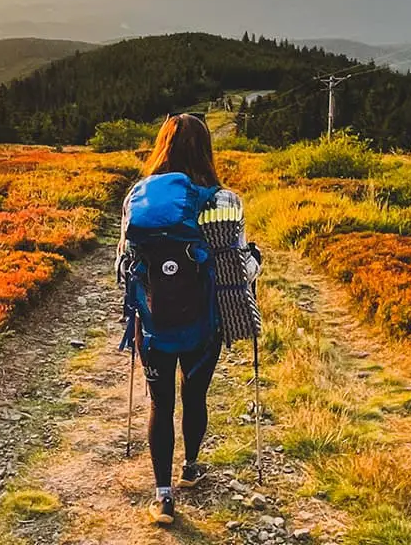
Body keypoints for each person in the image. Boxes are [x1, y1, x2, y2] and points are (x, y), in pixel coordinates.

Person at [116, 113, 261, 525]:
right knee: (194, 396)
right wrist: (258, 263)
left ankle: (162, 497)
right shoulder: (225, 200)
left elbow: (122, 267)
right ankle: (191, 468)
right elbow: (241, 270)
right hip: (205, 322)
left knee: (161, 404)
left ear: (163, 145)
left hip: (153, 323)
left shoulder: (137, 196)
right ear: (206, 150)